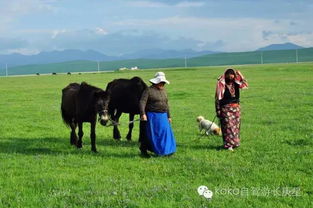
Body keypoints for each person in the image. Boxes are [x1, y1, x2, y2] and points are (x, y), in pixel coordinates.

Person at [139, 72, 176, 157]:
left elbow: (166, 104)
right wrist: (143, 114)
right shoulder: (148, 90)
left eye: (163, 83)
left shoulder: (164, 91)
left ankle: (167, 151)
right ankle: (153, 151)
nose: (162, 84)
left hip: (163, 116)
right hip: (153, 116)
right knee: (155, 134)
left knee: (165, 134)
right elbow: (142, 102)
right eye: (161, 82)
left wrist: (169, 116)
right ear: (155, 82)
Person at [215, 68, 248, 151]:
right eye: (228, 74)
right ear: (225, 75)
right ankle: (228, 145)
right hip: (225, 108)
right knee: (228, 127)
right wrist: (218, 110)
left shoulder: (236, 83)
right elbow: (217, 98)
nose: (230, 76)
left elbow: (245, 85)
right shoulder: (221, 85)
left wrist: (240, 74)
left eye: (232, 74)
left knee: (236, 127)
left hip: (236, 108)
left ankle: (235, 143)